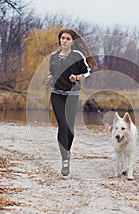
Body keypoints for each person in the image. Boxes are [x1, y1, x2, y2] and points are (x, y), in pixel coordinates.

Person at [45, 28, 96, 176]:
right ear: (60, 40)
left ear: (72, 41)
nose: (64, 41)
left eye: (67, 38)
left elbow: (87, 71)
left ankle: (67, 151)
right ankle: (65, 160)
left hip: (72, 95)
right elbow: (52, 72)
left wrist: (78, 77)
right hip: (56, 95)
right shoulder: (54, 56)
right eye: (62, 38)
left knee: (70, 128)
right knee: (62, 124)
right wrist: (49, 78)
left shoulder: (77, 55)